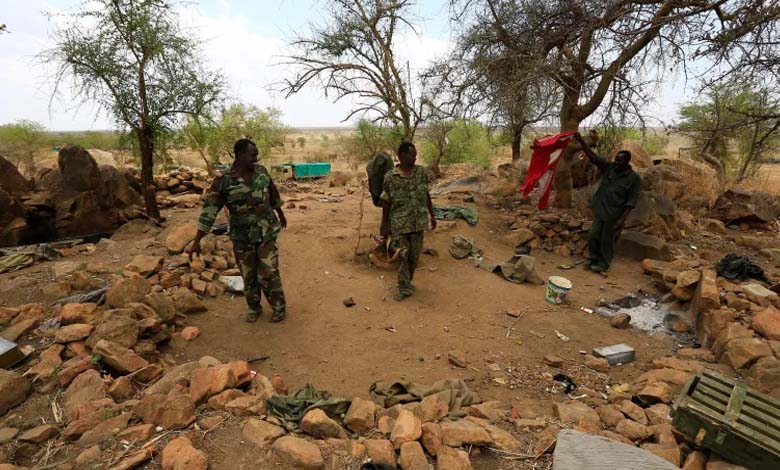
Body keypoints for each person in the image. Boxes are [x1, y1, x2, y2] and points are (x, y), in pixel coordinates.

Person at [189, 138, 288, 323]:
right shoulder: (224, 181)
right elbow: (209, 211)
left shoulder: (261, 172)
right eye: (252, 155)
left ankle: (279, 307)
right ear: (240, 155)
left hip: (266, 231)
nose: (256, 159)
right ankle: (254, 307)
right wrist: (196, 241)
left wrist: (280, 212)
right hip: (242, 236)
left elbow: (272, 191)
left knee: (269, 271)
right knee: (248, 273)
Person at [574, 131, 640, 273]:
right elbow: (593, 157)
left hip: (614, 214)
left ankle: (604, 264)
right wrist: (581, 141)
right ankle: (593, 259)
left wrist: (622, 220)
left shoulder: (634, 178)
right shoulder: (609, 168)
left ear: (627, 161)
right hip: (600, 209)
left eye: (619, 160)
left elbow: (631, 201)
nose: (616, 162)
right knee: (593, 235)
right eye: (616, 159)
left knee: (606, 240)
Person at [380, 142, 436, 301]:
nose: (415, 157)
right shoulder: (390, 177)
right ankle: (403, 287)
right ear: (401, 156)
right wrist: (384, 225)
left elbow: (426, 195)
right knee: (403, 256)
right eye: (412, 155)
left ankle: (407, 283)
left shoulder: (421, 173)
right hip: (399, 224)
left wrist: (432, 215)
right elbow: (386, 202)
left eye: (415, 154)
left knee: (414, 257)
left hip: (418, 223)